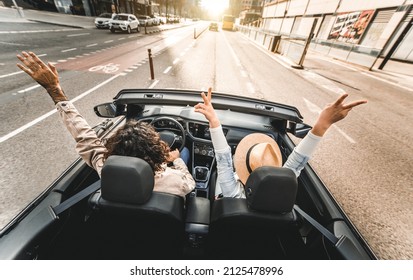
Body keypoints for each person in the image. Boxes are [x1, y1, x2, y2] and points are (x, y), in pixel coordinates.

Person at [16, 51, 195, 198]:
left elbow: (83, 135)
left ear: (115, 151)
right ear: (157, 153)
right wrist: (176, 160)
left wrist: (54, 90)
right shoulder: (176, 181)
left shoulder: (106, 167)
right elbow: (191, 184)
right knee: (184, 152)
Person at [194, 88, 367, 198]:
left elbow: (223, 159)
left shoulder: (231, 193)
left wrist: (214, 121)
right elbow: (297, 162)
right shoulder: (280, 195)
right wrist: (323, 124)